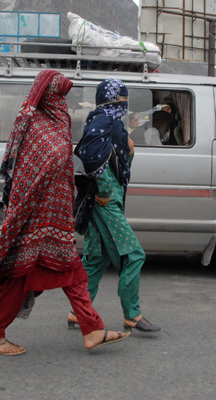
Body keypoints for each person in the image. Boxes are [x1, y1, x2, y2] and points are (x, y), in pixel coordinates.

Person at [0, 71, 129, 355]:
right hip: (34, 223)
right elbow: (31, 174)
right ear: (48, 96)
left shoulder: (53, 123)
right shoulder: (36, 126)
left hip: (55, 222)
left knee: (71, 275)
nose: (63, 102)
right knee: (21, 280)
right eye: (59, 96)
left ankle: (92, 329)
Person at [72, 79, 160, 333]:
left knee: (96, 258)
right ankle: (132, 315)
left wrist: (128, 145)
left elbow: (114, 158)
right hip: (105, 202)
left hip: (111, 200)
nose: (124, 105)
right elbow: (91, 158)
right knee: (134, 255)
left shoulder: (108, 121)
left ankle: (79, 312)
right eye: (122, 100)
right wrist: (105, 191)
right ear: (112, 100)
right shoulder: (102, 120)